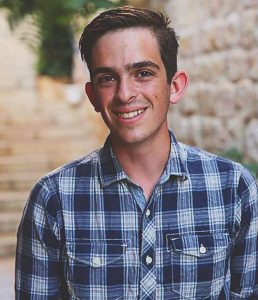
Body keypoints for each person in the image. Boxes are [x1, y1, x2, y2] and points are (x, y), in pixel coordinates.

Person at [15, 6, 257, 300]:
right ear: (93, 96)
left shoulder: (235, 189)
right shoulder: (53, 199)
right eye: (107, 78)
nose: (125, 94)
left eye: (143, 73)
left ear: (175, 86)